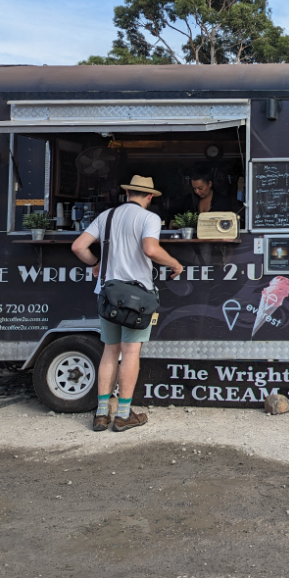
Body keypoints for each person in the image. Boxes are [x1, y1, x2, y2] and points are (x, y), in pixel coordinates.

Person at [71, 175, 183, 432]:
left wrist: (95, 264)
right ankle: (123, 414)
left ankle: (101, 413)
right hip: (137, 298)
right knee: (130, 353)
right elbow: (151, 250)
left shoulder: (107, 216)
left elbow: (79, 246)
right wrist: (175, 264)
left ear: (128, 193)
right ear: (150, 196)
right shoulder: (149, 218)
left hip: (107, 294)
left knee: (110, 350)